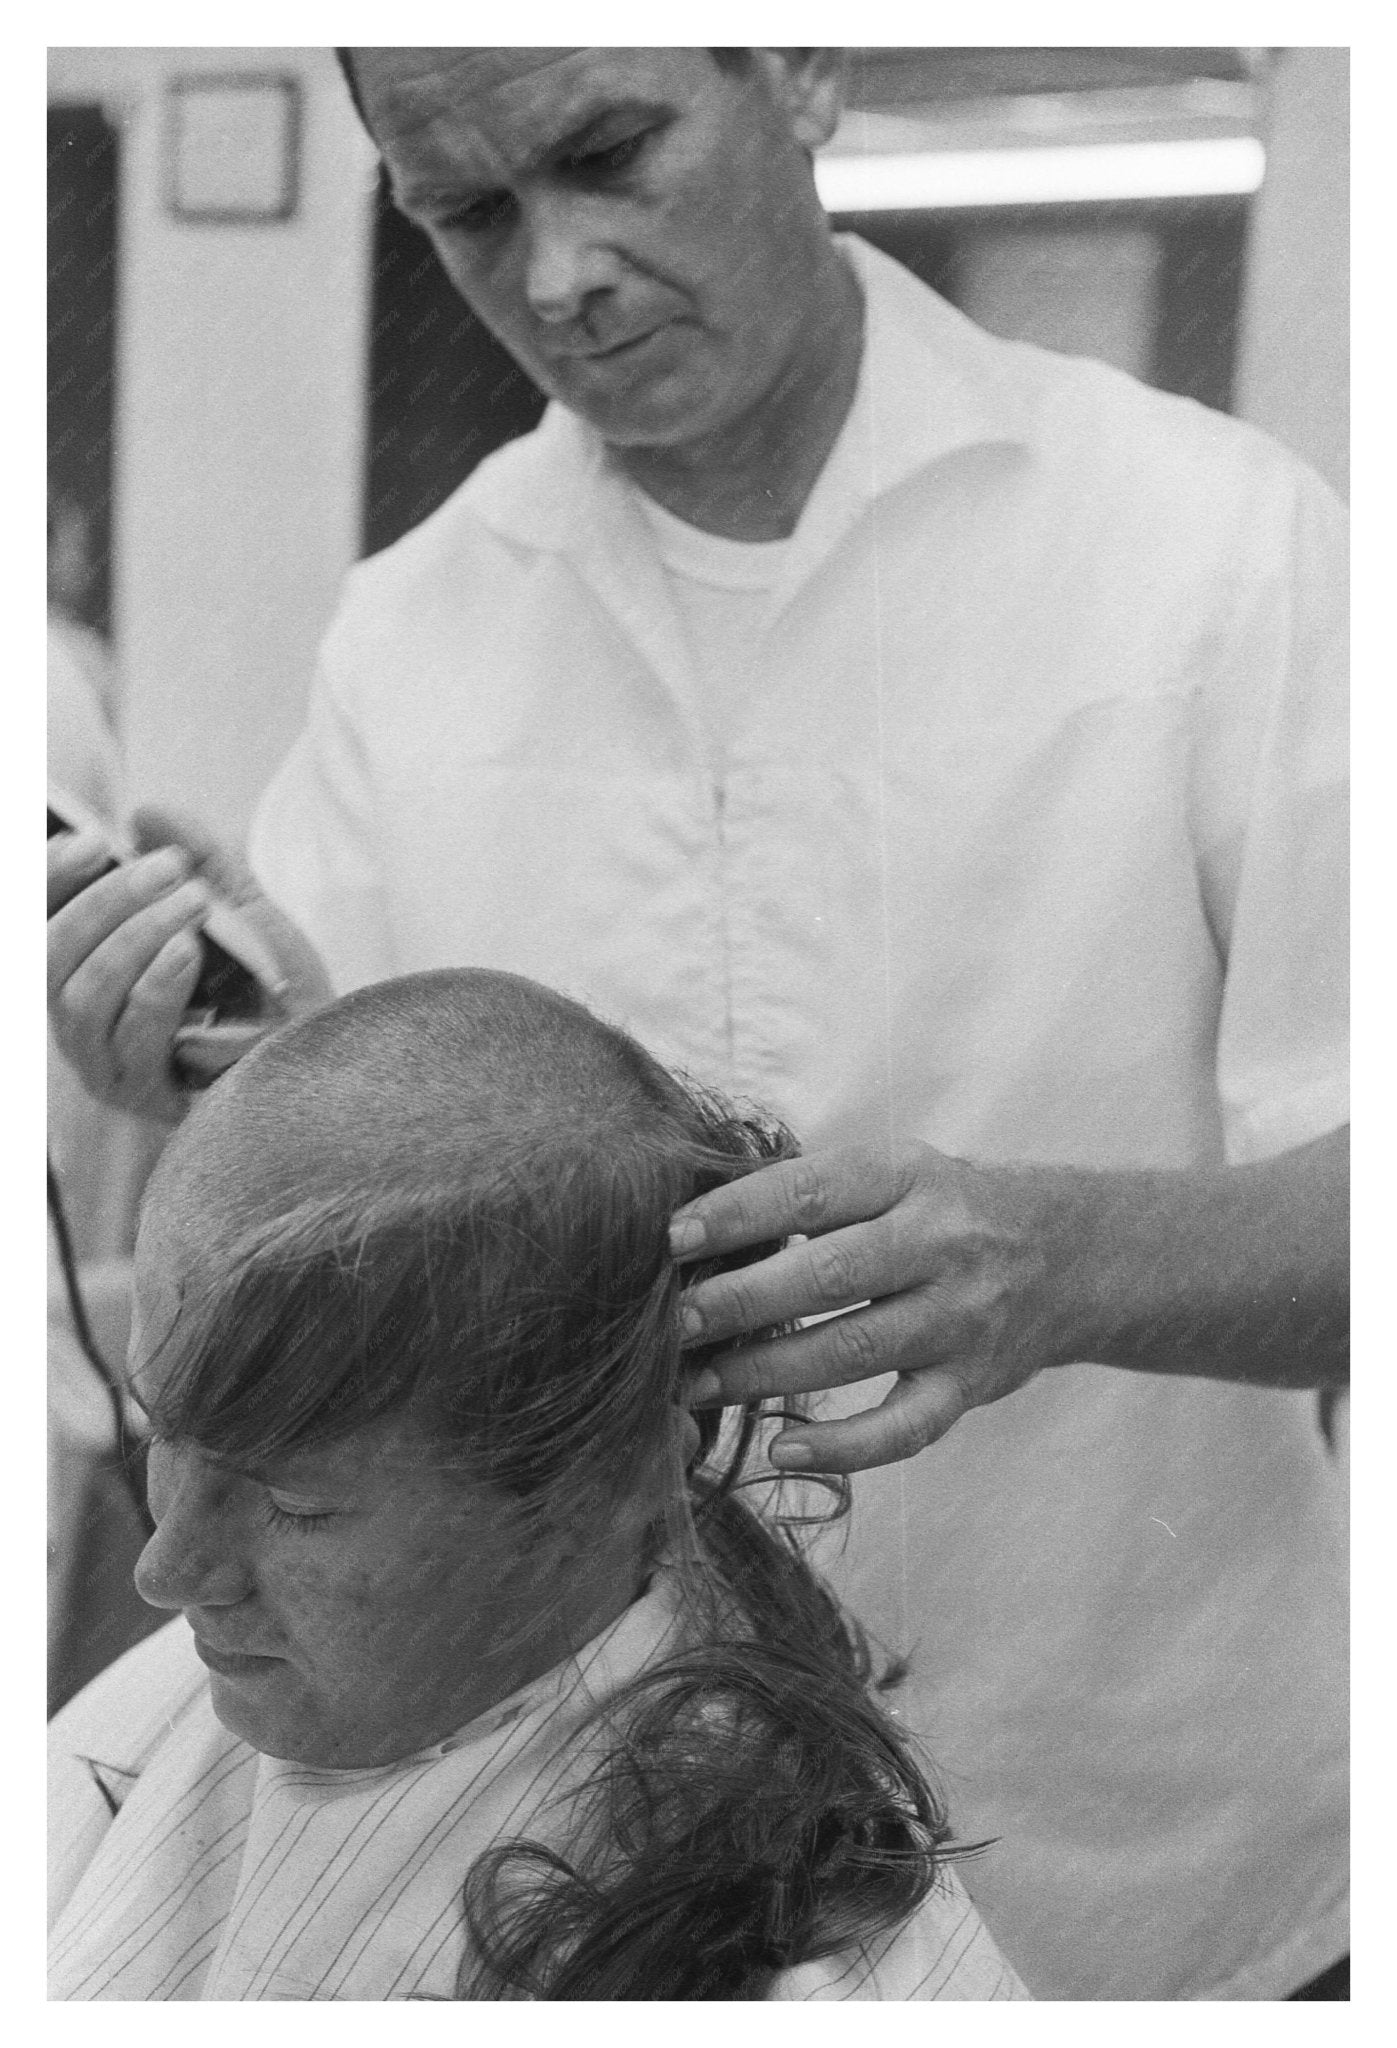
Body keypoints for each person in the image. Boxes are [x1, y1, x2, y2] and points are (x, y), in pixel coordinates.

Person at [46, 49, 1347, 1998]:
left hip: (1155, 1868)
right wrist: (228, 1073)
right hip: (598, 1896)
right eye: (465, 213)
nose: (556, 272)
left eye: (608, 154)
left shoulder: (1213, 554)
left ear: (800, 71)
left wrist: (1060, 1260)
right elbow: (402, 1181)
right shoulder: (411, 637)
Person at [48, 967, 1028, 2002]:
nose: (166, 1570)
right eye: (165, 1426)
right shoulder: (228, 1686)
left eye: (298, 1503)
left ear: (613, 1473)